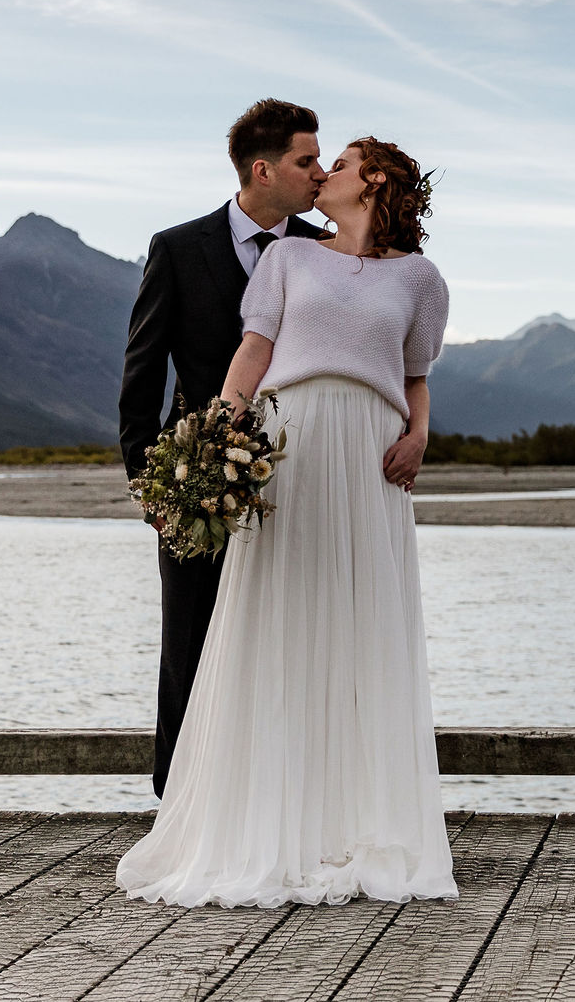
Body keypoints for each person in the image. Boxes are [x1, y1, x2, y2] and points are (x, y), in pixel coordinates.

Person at [117, 136, 459, 908]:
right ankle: (263, 823)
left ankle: (354, 820)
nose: (324, 173)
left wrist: (421, 433)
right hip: (293, 447)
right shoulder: (289, 262)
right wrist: (213, 436)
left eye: (339, 163)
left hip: (369, 460)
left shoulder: (421, 280)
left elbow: (415, 376)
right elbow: (251, 354)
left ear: (375, 181)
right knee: (278, 622)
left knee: (360, 628)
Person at [120, 100, 328, 799]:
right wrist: (152, 493)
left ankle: (280, 798)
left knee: (289, 640)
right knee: (191, 642)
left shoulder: (324, 249)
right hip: (198, 481)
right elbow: (141, 378)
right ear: (262, 170)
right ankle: (179, 798)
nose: (319, 173)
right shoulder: (178, 249)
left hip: (302, 481)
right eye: (306, 160)